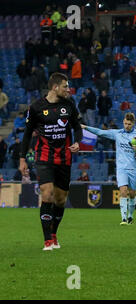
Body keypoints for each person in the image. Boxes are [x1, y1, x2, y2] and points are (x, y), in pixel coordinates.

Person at [19, 72, 82, 251]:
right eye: (65, 86)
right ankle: (47, 240)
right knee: (47, 194)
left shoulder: (69, 105)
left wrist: (77, 141)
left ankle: (54, 234)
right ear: (55, 87)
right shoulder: (37, 107)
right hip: (44, 157)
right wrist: (22, 159)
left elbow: (77, 127)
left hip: (64, 158)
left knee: (61, 200)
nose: (68, 89)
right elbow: (26, 135)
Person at [81, 112, 136, 225]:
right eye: (125, 123)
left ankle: (130, 216)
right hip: (121, 168)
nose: (126, 126)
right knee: (123, 191)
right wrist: (85, 127)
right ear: (123, 122)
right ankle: (123, 219)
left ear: (133, 123)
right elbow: (100, 132)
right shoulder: (117, 133)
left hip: (134, 168)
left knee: (132, 194)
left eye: (129, 124)